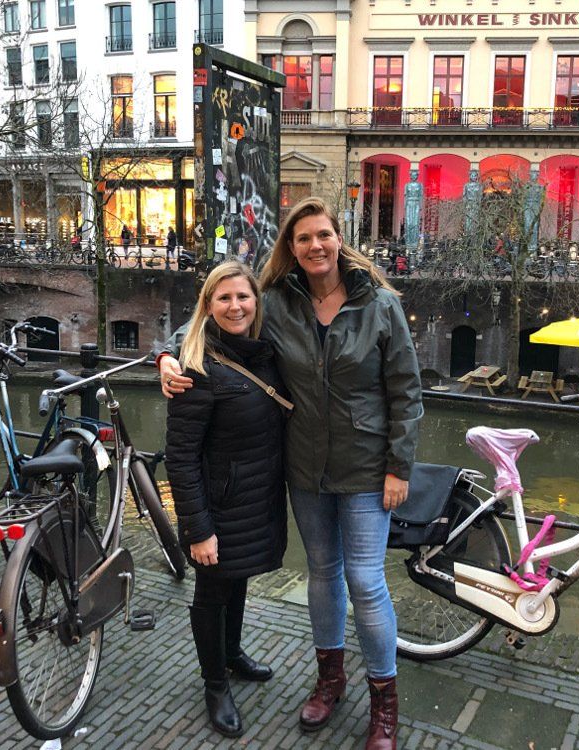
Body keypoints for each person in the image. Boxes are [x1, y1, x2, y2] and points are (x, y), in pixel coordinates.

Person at [159, 197, 422, 750]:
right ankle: (330, 681)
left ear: (338, 238)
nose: (315, 246)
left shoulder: (379, 304)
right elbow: (218, 312)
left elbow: (406, 389)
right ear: (291, 247)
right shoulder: (278, 301)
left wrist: (399, 465)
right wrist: (165, 355)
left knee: (367, 583)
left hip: (368, 468)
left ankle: (384, 704)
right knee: (323, 575)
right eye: (303, 239)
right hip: (303, 467)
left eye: (323, 235)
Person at [164, 261, 288, 738]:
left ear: (256, 302)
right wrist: (199, 528)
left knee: (237, 582)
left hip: (254, 500)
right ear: (208, 307)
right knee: (212, 592)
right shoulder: (195, 368)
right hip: (218, 505)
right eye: (224, 298)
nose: (236, 306)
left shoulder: (263, 352)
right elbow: (181, 457)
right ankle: (214, 684)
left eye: (243, 297)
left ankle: (232, 655)